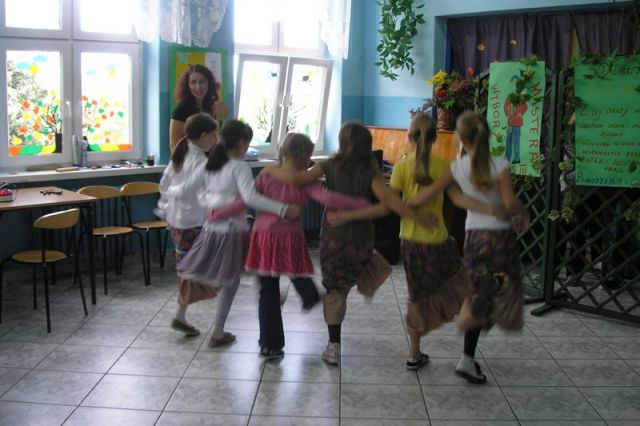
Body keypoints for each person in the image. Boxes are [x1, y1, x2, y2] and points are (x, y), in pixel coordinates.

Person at [329, 113, 501, 371]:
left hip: (409, 243)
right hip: (438, 242)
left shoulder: (401, 167)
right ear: (434, 138)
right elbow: (459, 199)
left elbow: (392, 203)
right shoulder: (444, 167)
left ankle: (414, 353)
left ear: (408, 137)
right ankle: (468, 347)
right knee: (470, 289)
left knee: (416, 297)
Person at [266, 121, 436, 366]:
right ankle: (358, 280)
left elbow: (298, 180)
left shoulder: (329, 164)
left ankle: (333, 346)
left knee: (335, 293)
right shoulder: (371, 169)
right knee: (353, 277)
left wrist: (273, 170)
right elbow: (388, 202)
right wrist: (417, 217)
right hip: (361, 241)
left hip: (333, 239)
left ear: (342, 142)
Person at [208, 133, 373, 360]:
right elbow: (328, 198)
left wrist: (218, 214)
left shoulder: (266, 174)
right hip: (288, 237)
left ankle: (270, 346)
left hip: (263, 237)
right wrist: (358, 203)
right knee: (296, 270)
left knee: (268, 293)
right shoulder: (304, 180)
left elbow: (245, 199)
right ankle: (310, 295)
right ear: (304, 155)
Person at [407, 111, 529, 383]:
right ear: (486, 135)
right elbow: (510, 202)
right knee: (507, 285)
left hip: (473, 239)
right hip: (500, 238)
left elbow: (430, 194)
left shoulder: (456, 168)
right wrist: (522, 213)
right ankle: (484, 303)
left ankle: (469, 352)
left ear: (461, 139)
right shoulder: (500, 164)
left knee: (478, 288)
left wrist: (411, 203)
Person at [170, 120, 301, 347]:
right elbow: (250, 198)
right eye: (247, 143)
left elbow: (184, 189)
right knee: (233, 279)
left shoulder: (208, 165)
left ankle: (217, 327)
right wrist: (283, 209)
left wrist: (168, 190)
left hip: (211, 232)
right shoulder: (239, 167)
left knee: (238, 272)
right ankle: (218, 331)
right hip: (232, 233)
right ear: (241, 143)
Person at [157, 113, 219, 336]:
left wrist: (169, 202)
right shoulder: (200, 162)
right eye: (213, 135)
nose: (215, 140)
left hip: (178, 222)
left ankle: (181, 316)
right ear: (203, 135)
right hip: (191, 224)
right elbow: (186, 191)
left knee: (189, 269)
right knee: (205, 267)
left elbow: (163, 185)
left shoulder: (181, 154)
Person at [169, 64, 229, 153]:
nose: (198, 87)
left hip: (213, 159)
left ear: (209, 83)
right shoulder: (180, 110)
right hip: (191, 160)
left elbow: (223, 138)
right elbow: (174, 146)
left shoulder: (219, 107)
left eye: (202, 82)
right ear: (188, 85)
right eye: (193, 82)